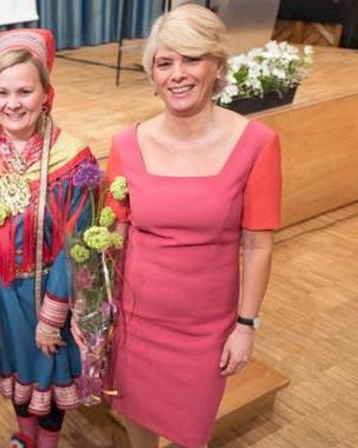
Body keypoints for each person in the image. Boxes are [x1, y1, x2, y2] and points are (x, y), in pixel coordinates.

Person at [105, 5, 282, 447]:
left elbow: (258, 246)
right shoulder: (126, 144)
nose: (177, 74)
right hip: (135, 322)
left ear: (217, 65)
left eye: (191, 58)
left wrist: (246, 326)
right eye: (165, 63)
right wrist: (101, 311)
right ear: (152, 74)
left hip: (205, 331)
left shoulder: (257, 144)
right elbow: (115, 236)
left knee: (191, 434)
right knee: (137, 424)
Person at [0, 29, 96, 448]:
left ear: (46, 94)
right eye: (3, 92)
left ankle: (45, 445)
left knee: (47, 375)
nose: (13, 104)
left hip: (50, 293)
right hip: (0, 293)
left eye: (25, 91)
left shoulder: (72, 159)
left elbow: (78, 244)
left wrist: (53, 317)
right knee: (16, 375)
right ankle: (24, 438)